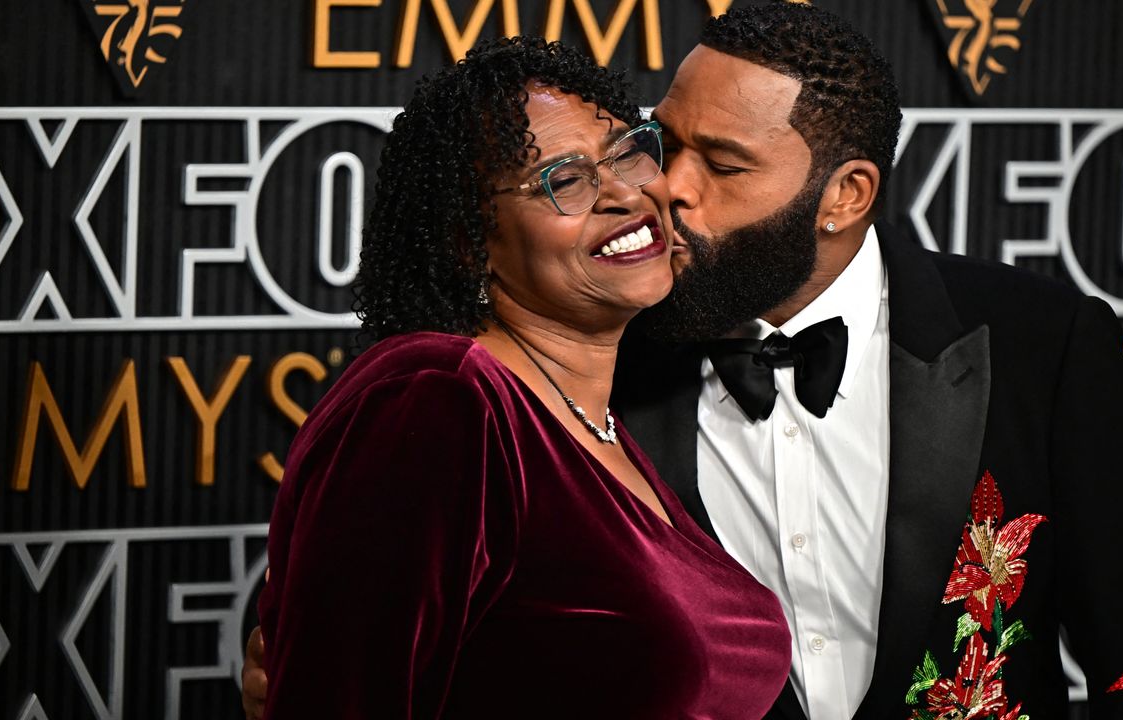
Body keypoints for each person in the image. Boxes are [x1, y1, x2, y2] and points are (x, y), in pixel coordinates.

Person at [247, 5, 1123, 720]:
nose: (667, 189)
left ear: (845, 195)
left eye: (725, 164)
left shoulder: (1043, 342)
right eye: (667, 142)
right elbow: (325, 649)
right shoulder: (570, 359)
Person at [254, 35, 791, 720]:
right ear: (470, 242)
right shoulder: (438, 397)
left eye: (628, 151)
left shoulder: (594, 422)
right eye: (565, 180)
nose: (625, 194)